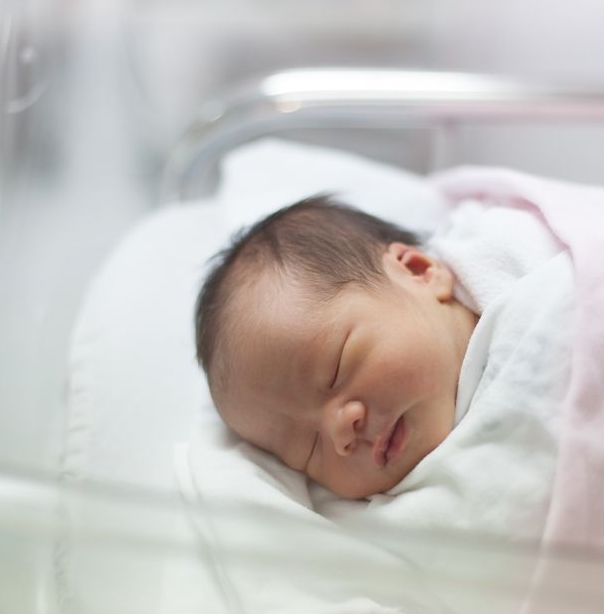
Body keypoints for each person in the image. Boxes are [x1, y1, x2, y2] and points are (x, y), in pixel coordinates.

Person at [195, 195, 479, 500]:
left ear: (417, 271)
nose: (341, 432)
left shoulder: (524, 293)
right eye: (310, 449)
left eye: (337, 370)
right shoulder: (398, 517)